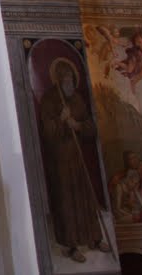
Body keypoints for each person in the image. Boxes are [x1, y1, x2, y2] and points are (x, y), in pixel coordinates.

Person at [38, 58, 110, 262]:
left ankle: (94, 239)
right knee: (67, 201)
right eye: (66, 79)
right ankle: (70, 246)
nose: (70, 83)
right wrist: (61, 121)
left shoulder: (77, 99)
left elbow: (91, 127)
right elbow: (47, 133)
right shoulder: (50, 100)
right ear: (59, 80)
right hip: (60, 161)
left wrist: (77, 126)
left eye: (72, 79)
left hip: (77, 159)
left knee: (85, 198)